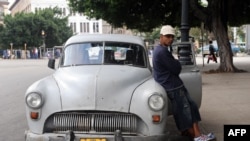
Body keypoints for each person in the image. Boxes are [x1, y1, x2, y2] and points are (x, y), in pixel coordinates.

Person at [152, 25, 215, 141]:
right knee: (188, 109)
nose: (170, 39)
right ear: (161, 36)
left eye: (172, 37)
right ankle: (197, 136)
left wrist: (174, 62)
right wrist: (176, 62)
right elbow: (176, 69)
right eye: (167, 36)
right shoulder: (162, 52)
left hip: (171, 85)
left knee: (185, 109)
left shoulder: (159, 50)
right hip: (174, 87)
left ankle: (187, 131)